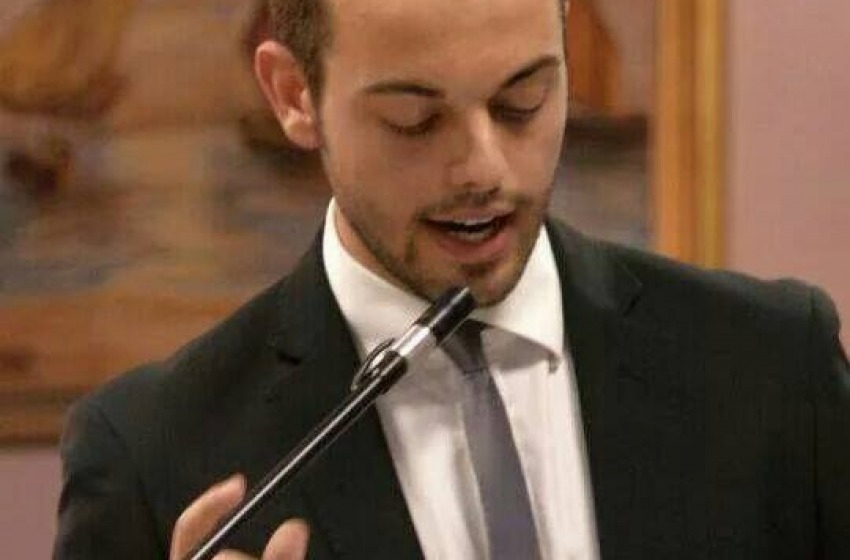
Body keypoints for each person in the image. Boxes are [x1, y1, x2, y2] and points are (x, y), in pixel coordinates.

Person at [54, 0, 850, 558]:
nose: (483, 169)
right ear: (295, 96)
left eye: (522, 101)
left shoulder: (779, 366)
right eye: (415, 119)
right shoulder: (147, 455)